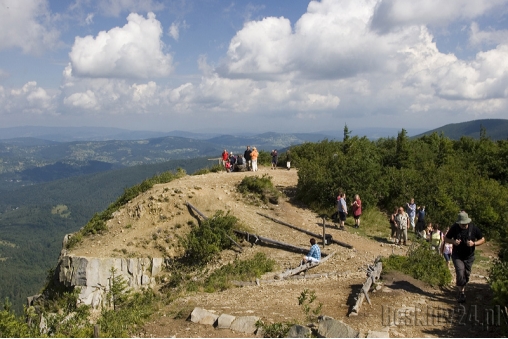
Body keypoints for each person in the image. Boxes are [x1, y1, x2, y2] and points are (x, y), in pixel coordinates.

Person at [444, 211, 485, 303]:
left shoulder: (473, 228)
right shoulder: (455, 227)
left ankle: (462, 285)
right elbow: (446, 238)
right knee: (460, 271)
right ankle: (461, 293)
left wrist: (474, 243)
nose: (463, 226)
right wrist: (453, 242)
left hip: (469, 256)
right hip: (457, 254)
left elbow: (482, 239)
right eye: (461, 224)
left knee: (466, 274)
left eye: (464, 224)